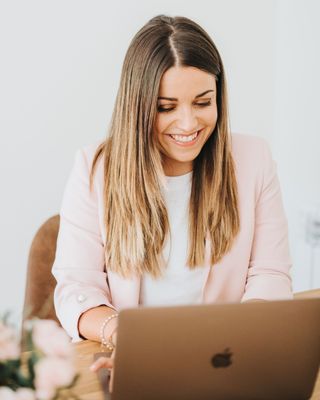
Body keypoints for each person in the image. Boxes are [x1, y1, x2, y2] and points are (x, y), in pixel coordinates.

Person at [52, 14, 292, 379]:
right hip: (131, 362)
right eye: (166, 107)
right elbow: (76, 288)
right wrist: (125, 336)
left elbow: (270, 274)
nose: (188, 124)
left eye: (202, 102)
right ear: (138, 106)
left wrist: (243, 339)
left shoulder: (254, 160)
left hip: (224, 362)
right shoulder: (94, 168)